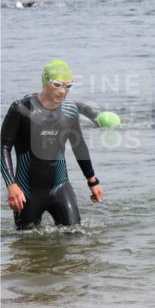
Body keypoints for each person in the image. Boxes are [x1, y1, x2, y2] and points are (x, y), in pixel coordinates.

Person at [2, 60, 105, 230]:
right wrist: (11, 185)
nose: (63, 91)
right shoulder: (21, 108)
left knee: (76, 237)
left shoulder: (70, 111)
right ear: (45, 82)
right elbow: (3, 147)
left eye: (68, 86)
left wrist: (92, 181)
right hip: (26, 190)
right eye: (57, 84)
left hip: (60, 185)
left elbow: (79, 147)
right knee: (27, 245)